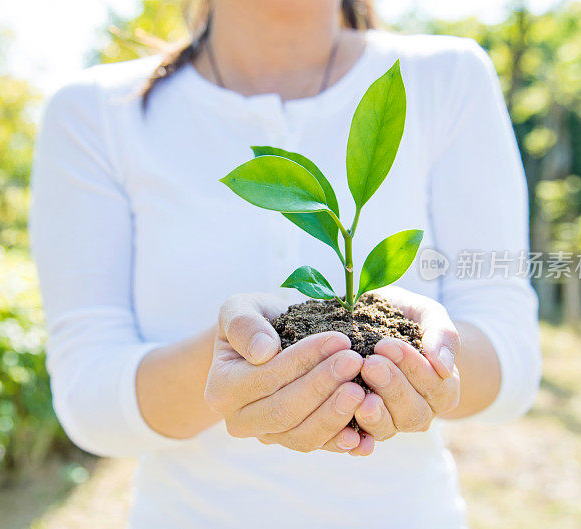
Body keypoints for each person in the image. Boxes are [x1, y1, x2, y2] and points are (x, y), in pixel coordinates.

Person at [30, 1, 541, 527]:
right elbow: (88, 398)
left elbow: (513, 355)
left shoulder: (446, 77)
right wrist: (232, 360)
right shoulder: (98, 112)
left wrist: (427, 358)